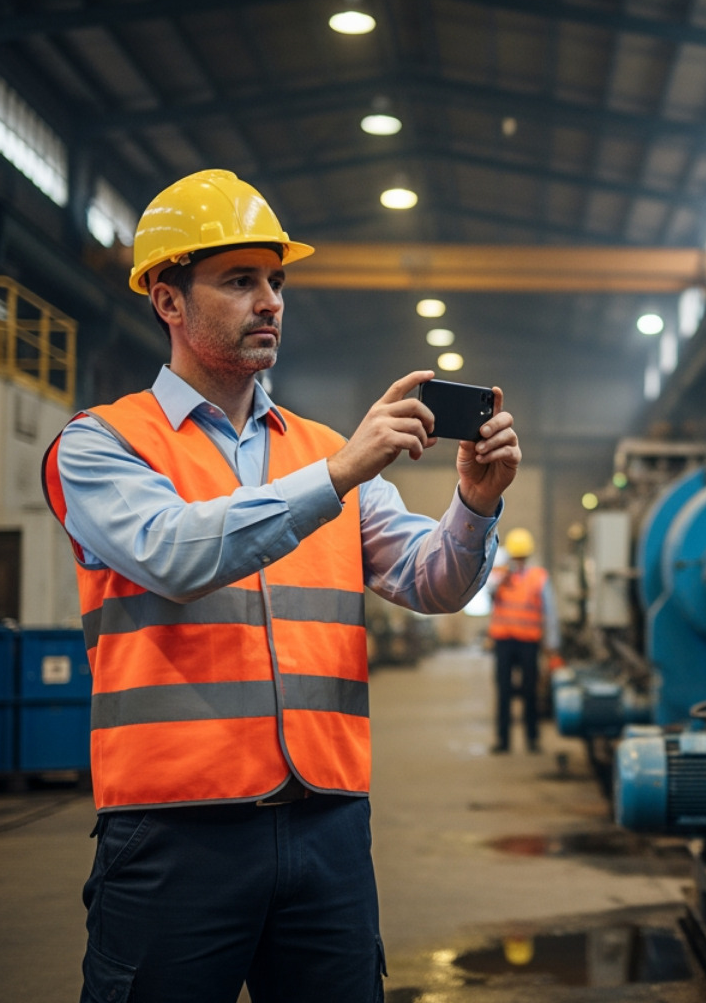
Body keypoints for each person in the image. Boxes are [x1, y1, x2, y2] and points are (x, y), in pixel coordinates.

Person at [41, 169, 520, 1003]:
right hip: (175, 830)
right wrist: (335, 476)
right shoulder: (101, 446)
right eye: (238, 281)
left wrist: (474, 505)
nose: (270, 301)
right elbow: (173, 553)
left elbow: (429, 579)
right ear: (169, 301)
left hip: (327, 821)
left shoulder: (324, 450)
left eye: (276, 281)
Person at [487, 527, 560, 753]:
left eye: (520, 556)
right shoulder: (499, 575)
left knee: (530, 691)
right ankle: (503, 740)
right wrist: (502, 579)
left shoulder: (539, 576)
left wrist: (552, 645)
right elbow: (487, 593)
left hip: (529, 643)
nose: (517, 560)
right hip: (504, 641)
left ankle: (532, 738)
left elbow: (550, 612)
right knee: (504, 691)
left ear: (526, 555)